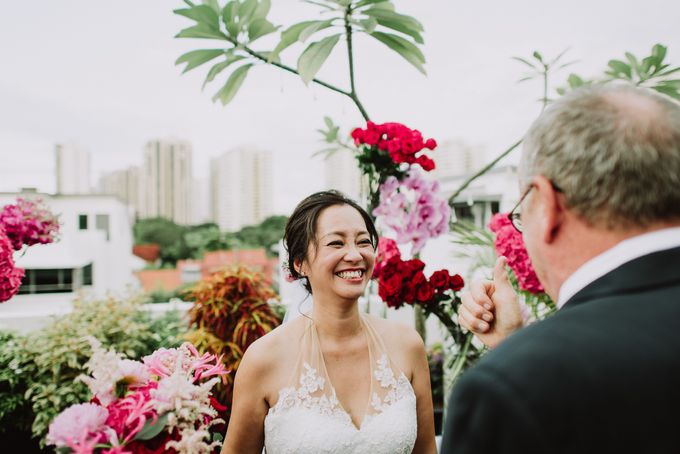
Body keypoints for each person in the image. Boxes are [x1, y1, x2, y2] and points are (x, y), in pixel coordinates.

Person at [441, 84, 680, 453]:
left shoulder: (514, 388)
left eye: (522, 210)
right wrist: (513, 341)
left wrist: (521, 356)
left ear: (547, 204)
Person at [221, 190, 437, 454]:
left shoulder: (407, 345)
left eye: (363, 242)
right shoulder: (263, 359)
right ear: (300, 263)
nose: (355, 255)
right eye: (336, 243)